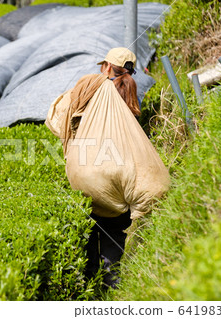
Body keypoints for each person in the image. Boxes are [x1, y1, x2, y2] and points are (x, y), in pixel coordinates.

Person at [67, 47, 141, 289]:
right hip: (121, 184)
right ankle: (112, 288)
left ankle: (91, 288)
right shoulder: (130, 93)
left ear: (108, 67)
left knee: (89, 236)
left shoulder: (95, 89)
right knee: (113, 238)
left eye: (103, 65)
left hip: (93, 180)